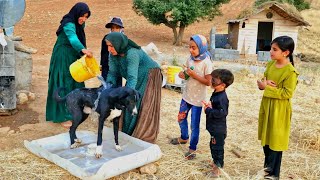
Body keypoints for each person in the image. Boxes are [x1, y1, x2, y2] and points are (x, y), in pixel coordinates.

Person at [104, 32, 162, 143]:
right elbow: (112, 73)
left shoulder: (132, 53)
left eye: (111, 46)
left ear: (118, 43)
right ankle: (126, 132)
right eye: (107, 46)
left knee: (141, 103)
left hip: (150, 75)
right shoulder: (113, 54)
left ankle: (141, 135)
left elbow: (131, 78)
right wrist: (106, 89)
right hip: (136, 76)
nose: (109, 49)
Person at [257, 36, 299, 179]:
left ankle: (274, 174)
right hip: (267, 106)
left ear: (286, 53)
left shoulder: (290, 72)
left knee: (276, 142)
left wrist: (267, 87)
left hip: (279, 110)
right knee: (267, 139)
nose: (271, 52)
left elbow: (288, 93)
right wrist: (264, 83)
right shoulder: (270, 64)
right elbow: (263, 81)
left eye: (274, 49)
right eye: (271, 48)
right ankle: (267, 169)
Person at [46, 2, 93, 128]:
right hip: (62, 55)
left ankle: (74, 112)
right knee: (63, 82)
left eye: (86, 17)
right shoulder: (68, 23)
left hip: (73, 54)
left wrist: (82, 52)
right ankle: (62, 116)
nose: (84, 19)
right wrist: (83, 50)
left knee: (75, 80)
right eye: (82, 16)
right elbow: (72, 38)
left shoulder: (79, 24)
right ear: (76, 13)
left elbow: (79, 38)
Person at [170, 34, 213, 160]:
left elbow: (208, 82)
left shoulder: (206, 63)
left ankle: (192, 149)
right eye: (189, 47)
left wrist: (193, 75)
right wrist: (183, 75)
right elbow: (187, 74)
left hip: (198, 100)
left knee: (194, 126)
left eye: (194, 47)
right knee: (180, 118)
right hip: (187, 96)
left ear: (202, 47)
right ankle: (184, 137)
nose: (191, 50)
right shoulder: (190, 59)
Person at [202, 69, 234, 177]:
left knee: (217, 148)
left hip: (218, 129)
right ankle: (215, 163)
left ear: (223, 85)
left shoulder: (222, 98)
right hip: (213, 127)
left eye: (214, 79)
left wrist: (208, 110)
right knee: (212, 146)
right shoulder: (216, 92)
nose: (211, 81)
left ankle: (218, 167)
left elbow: (223, 112)